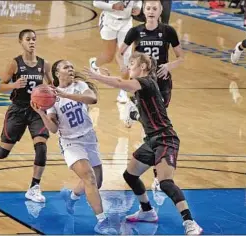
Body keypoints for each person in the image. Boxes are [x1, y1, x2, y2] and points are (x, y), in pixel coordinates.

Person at [83, 52, 202, 235]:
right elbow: (146, 110)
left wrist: (97, 76)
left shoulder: (146, 82)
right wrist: (134, 115)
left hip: (165, 138)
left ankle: (190, 222)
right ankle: (147, 211)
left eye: (132, 63)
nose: (129, 66)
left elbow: (121, 83)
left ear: (143, 67)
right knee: (130, 175)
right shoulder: (140, 89)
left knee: (165, 183)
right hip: (152, 140)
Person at [30, 59, 117, 235]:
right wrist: (40, 112)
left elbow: (92, 99)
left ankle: (71, 197)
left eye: (71, 66)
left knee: (96, 182)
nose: (70, 69)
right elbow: (53, 129)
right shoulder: (51, 97)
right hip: (70, 142)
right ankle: (102, 222)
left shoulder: (80, 85)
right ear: (56, 73)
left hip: (89, 138)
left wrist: (66, 94)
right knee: (90, 178)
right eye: (66, 67)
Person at [0, 29, 53, 203]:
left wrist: (50, 94)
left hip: (37, 111)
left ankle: (34, 187)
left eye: (34, 39)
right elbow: (0, 86)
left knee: (41, 146)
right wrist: (14, 84)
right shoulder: (15, 63)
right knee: (2, 153)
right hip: (17, 110)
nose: (32, 42)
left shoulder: (44, 64)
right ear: (20, 42)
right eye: (28, 39)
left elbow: (52, 86)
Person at [118, 0, 184, 190]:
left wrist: (169, 65)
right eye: (148, 8)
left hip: (161, 84)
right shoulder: (136, 32)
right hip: (141, 83)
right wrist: (124, 66)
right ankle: (158, 172)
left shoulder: (168, 31)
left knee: (158, 123)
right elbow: (120, 51)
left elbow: (181, 57)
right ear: (144, 12)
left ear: (161, 10)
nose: (152, 11)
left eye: (155, 8)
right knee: (152, 126)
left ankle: (159, 174)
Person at [89, 0, 143, 104]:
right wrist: (112, 6)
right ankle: (94, 64)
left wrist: (138, 8)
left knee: (126, 57)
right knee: (108, 56)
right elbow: (96, 2)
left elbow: (138, 1)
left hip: (126, 23)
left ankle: (123, 92)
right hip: (109, 21)